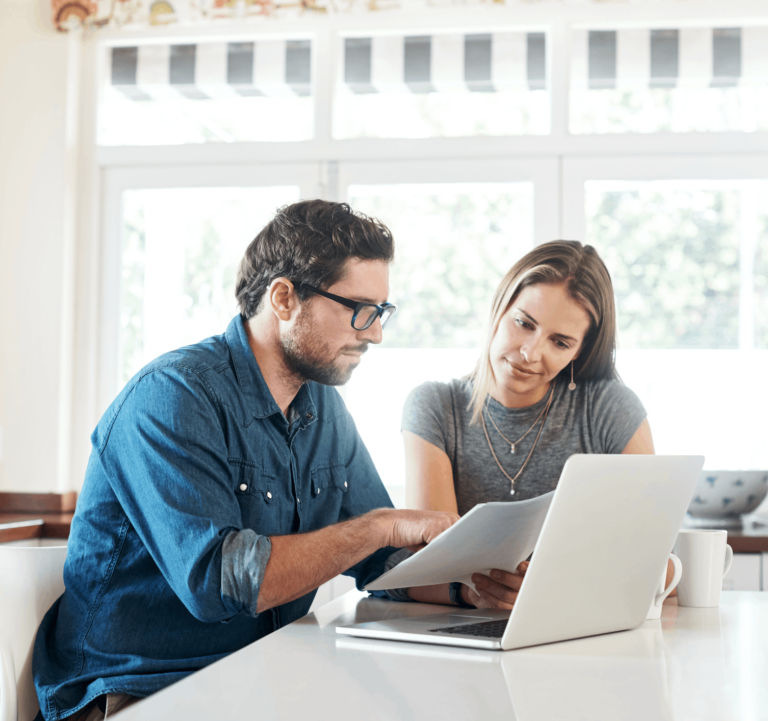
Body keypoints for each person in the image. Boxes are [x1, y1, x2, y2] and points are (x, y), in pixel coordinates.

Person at [33, 201, 459, 721]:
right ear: (284, 297)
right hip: (139, 689)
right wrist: (379, 528)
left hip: (258, 676)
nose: (374, 333)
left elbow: (382, 561)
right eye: (359, 309)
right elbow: (219, 582)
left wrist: (469, 584)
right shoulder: (171, 396)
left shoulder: (322, 406)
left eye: (381, 311)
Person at [401, 240, 656, 610]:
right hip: (469, 633)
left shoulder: (609, 409)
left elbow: (653, 560)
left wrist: (552, 589)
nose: (530, 353)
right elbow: (434, 564)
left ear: (579, 351)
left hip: (576, 627)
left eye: (560, 342)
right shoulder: (435, 407)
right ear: (499, 307)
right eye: (524, 323)